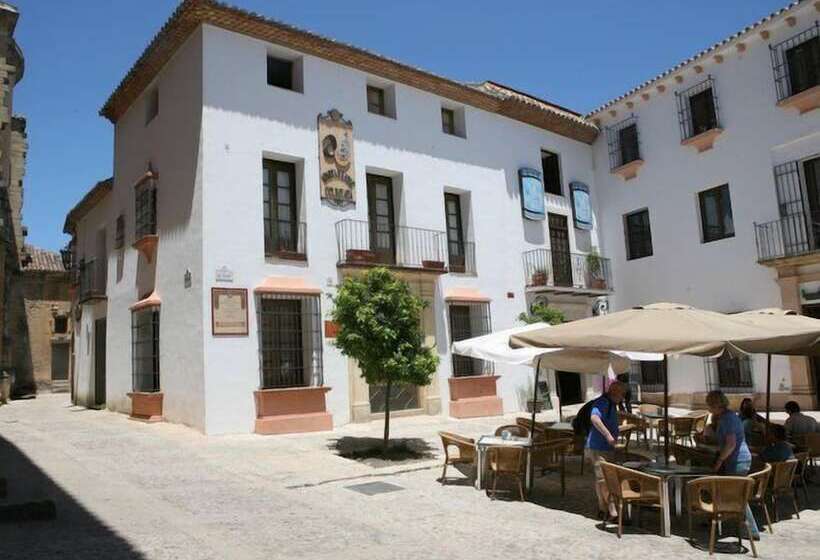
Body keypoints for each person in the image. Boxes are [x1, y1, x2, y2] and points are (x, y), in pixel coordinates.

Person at [706, 390, 759, 540]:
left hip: (737, 460)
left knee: (737, 495)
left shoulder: (728, 419)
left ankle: (751, 530)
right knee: (734, 493)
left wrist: (720, 461)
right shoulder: (726, 417)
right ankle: (719, 519)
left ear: (715, 404)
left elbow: (730, 444)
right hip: (738, 459)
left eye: (709, 405)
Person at [585, 381, 626, 521]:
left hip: (607, 448)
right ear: (614, 392)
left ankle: (602, 509)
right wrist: (608, 435)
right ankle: (612, 511)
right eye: (622, 394)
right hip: (598, 447)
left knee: (602, 479)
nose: (623, 397)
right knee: (604, 479)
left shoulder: (612, 404)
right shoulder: (602, 402)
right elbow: (594, 418)